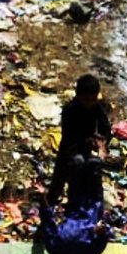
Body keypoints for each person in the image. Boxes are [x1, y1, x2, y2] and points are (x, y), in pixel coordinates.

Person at [36, 138, 110, 254]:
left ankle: (82, 138)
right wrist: (101, 230)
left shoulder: (53, 248)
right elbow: (103, 239)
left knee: (77, 162)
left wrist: (42, 196)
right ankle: (101, 149)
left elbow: (48, 220)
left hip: (75, 201)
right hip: (93, 203)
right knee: (93, 165)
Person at [46, 73, 112, 205]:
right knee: (60, 178)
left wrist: (103, 142)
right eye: (86, 100)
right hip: (69, 147)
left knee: (80, 179)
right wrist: (87, 141)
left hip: (86, 147)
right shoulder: (70, 110)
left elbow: (105, 127)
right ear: (78, 95)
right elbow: (69, 134)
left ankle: (75, 205)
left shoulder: (97, 107)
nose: (89, 103)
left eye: (93, 99)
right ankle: (50, 203)